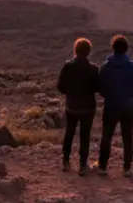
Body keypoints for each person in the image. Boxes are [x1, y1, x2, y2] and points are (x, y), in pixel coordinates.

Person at [96, 33, 133, 177]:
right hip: (127, 104)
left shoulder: (105, 67)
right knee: (127, 137)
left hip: (111, 104)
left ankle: (102, 166)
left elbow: (101, 88)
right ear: (126, 49)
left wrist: (110, 94)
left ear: (113, 48)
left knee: (107, 135)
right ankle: (127, 167)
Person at [56, 37, 100, 175]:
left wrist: (69, 92)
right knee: (85, 136)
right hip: (88, 107)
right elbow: (97, 87)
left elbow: (60, 87)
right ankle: (82, 164)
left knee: (69, 132)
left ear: (75, 50)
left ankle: (66, 161)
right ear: (88, 52)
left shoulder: (68, 66)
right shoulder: (93, 69)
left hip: (72, 106)